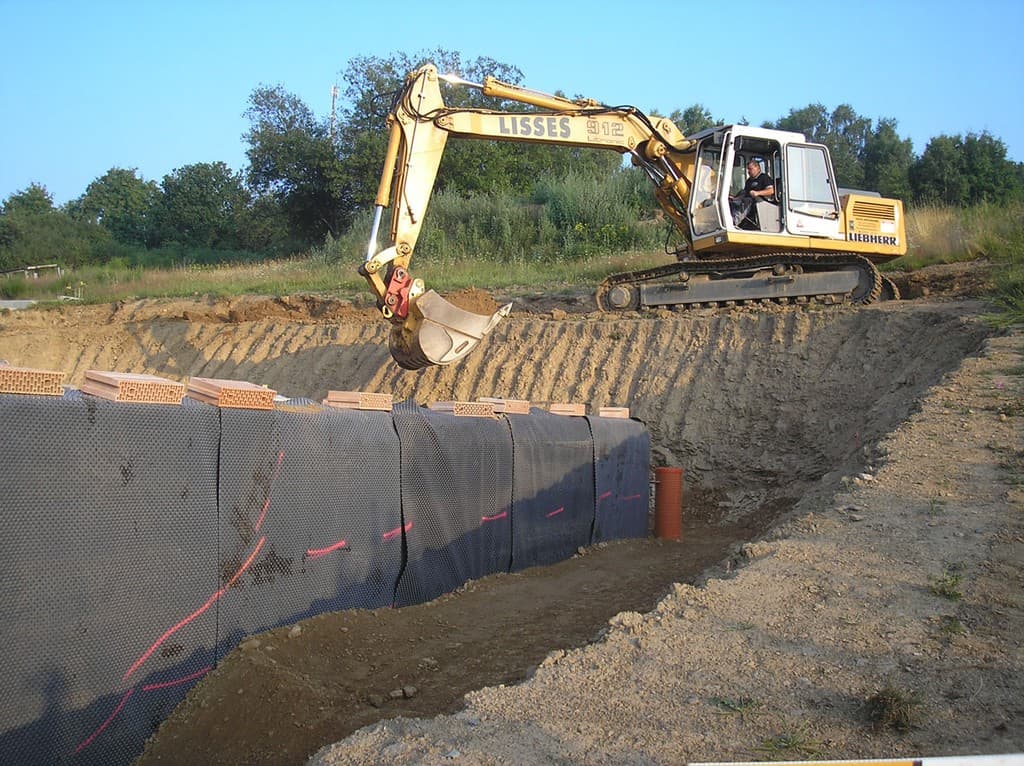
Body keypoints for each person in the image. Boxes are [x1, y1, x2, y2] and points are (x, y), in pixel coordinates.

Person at [729, 159, 774, 228]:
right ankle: (729, 218)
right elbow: (745, 193)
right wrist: (735, 198)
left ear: (758, 168)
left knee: (747, 200)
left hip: (761, 202)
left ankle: (734, 221)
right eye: (748, 169)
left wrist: (757, 193)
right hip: (750, 201)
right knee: (731, 202)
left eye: (751, 169)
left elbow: (771, 191)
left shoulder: (764, 178)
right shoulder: (749, 181)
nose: (749, 172)